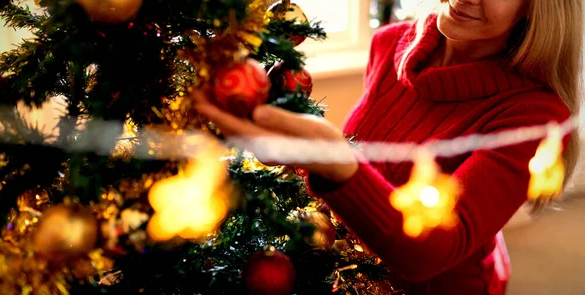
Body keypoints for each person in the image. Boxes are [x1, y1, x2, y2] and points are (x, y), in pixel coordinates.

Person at [192, 0, 583, 294]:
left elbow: (429, 252)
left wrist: (333, 157)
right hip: (352, 273)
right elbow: (374, 170)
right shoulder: (390, 43)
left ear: (535, 8)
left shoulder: (535, 115)